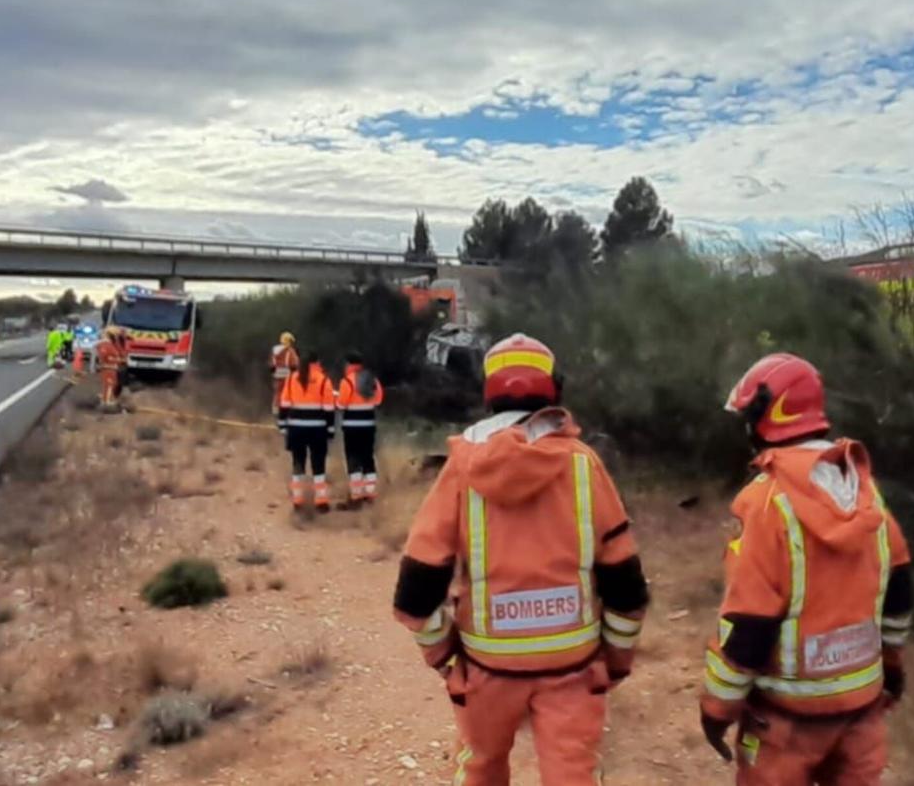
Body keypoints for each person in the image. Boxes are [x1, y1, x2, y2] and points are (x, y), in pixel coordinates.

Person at [392, 333, 650, 786]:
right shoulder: (583, 465)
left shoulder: (462, 468)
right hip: (573, 667)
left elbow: (415, 590)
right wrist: (616, 659)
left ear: (489, 390)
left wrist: (445, 658)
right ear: (553, 388)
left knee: (480, 770)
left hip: (487, 669)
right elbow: (626, 586)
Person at [699, 353, 914, 785]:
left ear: (764, 417)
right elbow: (899, 591)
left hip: (785, 726)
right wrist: (891, 666)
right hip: (861, 716)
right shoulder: (864, 490)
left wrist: (716, 710)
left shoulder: (765, 502)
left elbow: (750, 626)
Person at [278, 353, 335, 512]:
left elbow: (284, 405)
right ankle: (321, 501)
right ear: (317, 362)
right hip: (317, 430)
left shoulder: (291, 379)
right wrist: (330, 430)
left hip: (296, 429)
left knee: (298, 463)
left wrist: (283, 426)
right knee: (318, 465)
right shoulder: (324, 380)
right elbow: (329, 409)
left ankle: (298, 501)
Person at [336, 350, 383, 504]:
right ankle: (370, 494)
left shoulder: (347, 381)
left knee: (353, 458)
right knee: (368, 458)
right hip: (369, 425)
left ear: (349, 364)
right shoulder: (372, 381)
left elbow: (341, 404)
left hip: (351, 426)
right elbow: (378, 400)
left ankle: (356, 496)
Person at [96, 328, 128, 407]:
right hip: (108, 367)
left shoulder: (110, 345)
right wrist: (120, 360)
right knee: (109, 384)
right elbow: (106, 357)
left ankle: (107, 399)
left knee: (111, 384)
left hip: (112, 367)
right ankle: (106, 402)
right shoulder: (105, 345)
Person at [270, 332, 299, 416]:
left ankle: (276, 411)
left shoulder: (275, 351)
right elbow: (295, 364)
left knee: (277, 393)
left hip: (277, 376)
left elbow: (271, 365)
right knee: (288, 394)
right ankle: (287, 412)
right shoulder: (290, 351)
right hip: (288, 377)